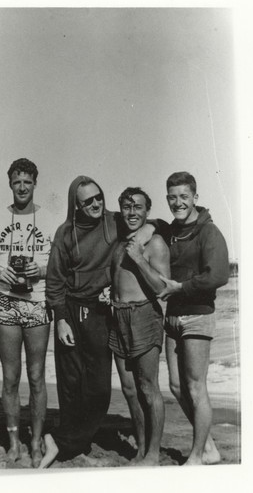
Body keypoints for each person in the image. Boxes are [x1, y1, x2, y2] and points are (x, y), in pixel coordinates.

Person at [39, 176, 165, 468]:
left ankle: (60, 440)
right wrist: (60, 320)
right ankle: (70, 444)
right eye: (88, 201)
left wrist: (148, 230)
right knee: (70, 384)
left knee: (97, 389)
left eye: (98, 197)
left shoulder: (116, 220)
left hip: (100, 311)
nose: (95, 204)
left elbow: (156, 221)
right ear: (76, 205)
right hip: (71, 310)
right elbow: (55, 281)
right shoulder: (65, 233)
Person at [0, 158, 55, 467]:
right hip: (6, 303)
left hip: (38, 302)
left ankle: (36, 442)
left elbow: (60, 267)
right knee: (10, 377)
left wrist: (42, 269)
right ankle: (13, 441)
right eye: (16, 181)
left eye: (27, 181)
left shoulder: (49, 219)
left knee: (36, 377)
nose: (22, 187)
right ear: (10, 184)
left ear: (35, 183)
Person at [157, 171, 229, 465]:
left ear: (195, 197)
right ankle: (209, 444)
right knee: (176, 386)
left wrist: (181, 288)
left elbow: (219, 275)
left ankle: (198, 455)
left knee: (196, 386)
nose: (178, 202)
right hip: (173, 316)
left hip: (198, 316)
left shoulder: (209, 232)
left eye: (184, 196)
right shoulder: (170, 231)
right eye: (172, 198)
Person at [109, 187, 170, 466]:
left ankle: (154, 455)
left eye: (138, 207)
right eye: (127, 207)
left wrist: (139, 259)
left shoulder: (154, 243)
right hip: (118, 316)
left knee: (148, 387)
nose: (132, 213)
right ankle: (142, 448)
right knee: (130, 389)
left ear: (147, 211)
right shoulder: (120, 243)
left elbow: (162, 288)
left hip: (144, 316)